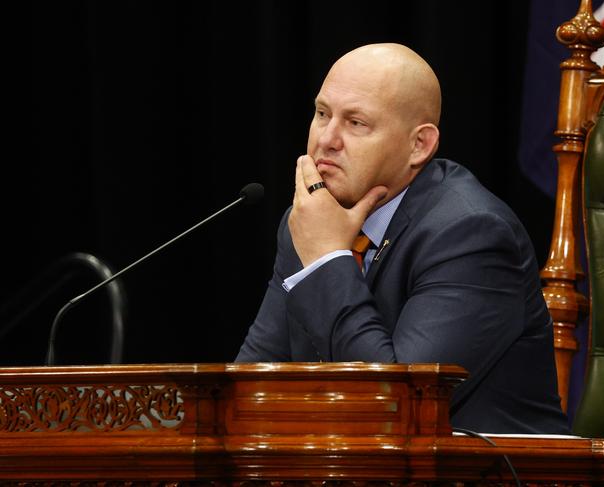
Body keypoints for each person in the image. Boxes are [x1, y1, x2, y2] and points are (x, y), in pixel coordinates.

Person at [236, 43, 569, 434]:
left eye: (356, 123)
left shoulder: (471, 233)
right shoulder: (310, 221)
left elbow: (395, 406)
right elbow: (248, 387)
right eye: (322, 113)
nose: (326, 139)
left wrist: (328, 257)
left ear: (419, 145)